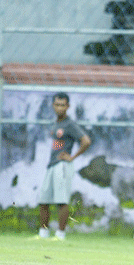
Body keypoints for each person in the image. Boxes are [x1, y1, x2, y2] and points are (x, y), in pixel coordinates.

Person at [36, 92, 91, 241]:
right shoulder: (56, 124)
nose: (59, 108)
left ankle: (60, 234)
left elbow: (86, 141)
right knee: (43, 200)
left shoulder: (70, 124)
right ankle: (43, 233)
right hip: (52, 164)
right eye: (57, 104)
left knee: (62, 200)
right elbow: (58, 144)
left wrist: (72, 157)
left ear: (68, 106)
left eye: (63, 105)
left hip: (62, 166)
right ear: (53, 105)